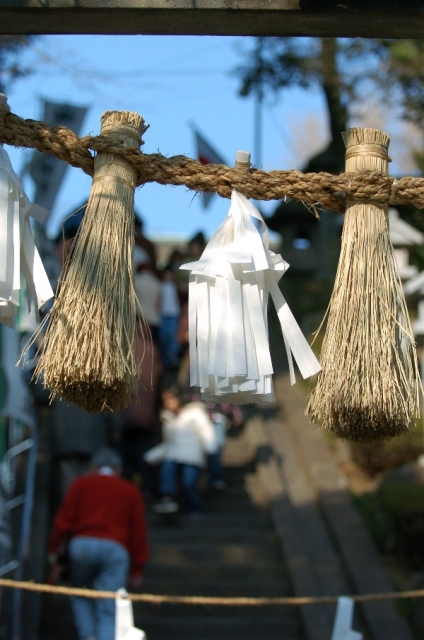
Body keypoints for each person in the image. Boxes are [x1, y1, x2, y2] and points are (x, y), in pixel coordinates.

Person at [49, 448, 148, 640]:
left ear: (93, 467)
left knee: (80, 594)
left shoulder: (80, 484)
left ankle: (88, 636)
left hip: (82, 545)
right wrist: (137, 568)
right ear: (118, 469)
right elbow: (138, 531)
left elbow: (63, 521)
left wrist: (53, 549)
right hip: (115, 548)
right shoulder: (130, 490)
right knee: (108, 604)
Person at [146, 387, 217, 516]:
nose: (167, 404)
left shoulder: (196, 414)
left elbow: (206, 431)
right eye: (165, 401)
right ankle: (167, 499)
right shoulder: (167, 419)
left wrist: (210, 447)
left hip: (192, 456)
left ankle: (196, 507)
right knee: (167, 471)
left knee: (189, 483)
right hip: (173, 455)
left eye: (170, 400)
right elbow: (168, 443)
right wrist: (152, 455)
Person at [159, 266, 181, 370]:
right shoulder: (161, 286)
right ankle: (165, 361)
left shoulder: (175, 286)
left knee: (172, 338)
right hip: (163, 314)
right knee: (164, 338)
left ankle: (172, 360)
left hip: (173, 314)